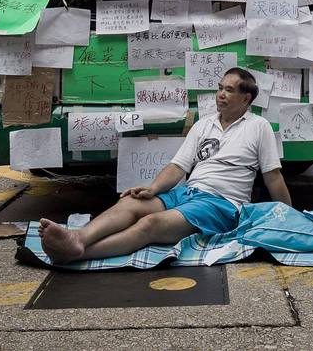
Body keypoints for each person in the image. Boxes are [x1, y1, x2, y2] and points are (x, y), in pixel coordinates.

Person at [39, 68, 290, 264]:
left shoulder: (259, 127)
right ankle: (76, 238)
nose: (221, 95)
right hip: (187, 193)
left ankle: (77, 254)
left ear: (246, 98)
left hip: (222, 204)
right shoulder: (204, 124)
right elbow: (178, 166)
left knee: (150, 224)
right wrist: (153, 188)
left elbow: (273, 177)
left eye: (229, 90)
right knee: (130, 203)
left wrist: (288, 216)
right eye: (220, 88)